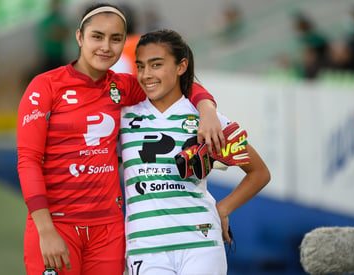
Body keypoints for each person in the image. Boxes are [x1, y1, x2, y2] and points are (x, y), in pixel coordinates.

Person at [17, 3, 224, 275]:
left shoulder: (122, 86)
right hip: (58, 225)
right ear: (79, 37)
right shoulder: (45, 86)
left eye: (115, 39)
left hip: (109, 232)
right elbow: (28, 160)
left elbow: (177, 82)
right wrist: (45, 230)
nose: (106, 46)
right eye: (97, 36)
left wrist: (207, 109)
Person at [119, 29, 271, 275]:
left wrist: (222, 209)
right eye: (141, 66)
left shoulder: (206, 118)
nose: (146, 75)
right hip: (145, 247)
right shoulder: (124, 116)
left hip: (201, 242)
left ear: (181, 66)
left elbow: (259, 172)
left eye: (156, 65)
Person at [37, 0, 70, 72]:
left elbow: (65, 34)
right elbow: (50, 36)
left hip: (59, 54)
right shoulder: (47, 21)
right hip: (50, 55)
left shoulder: (61, 21)